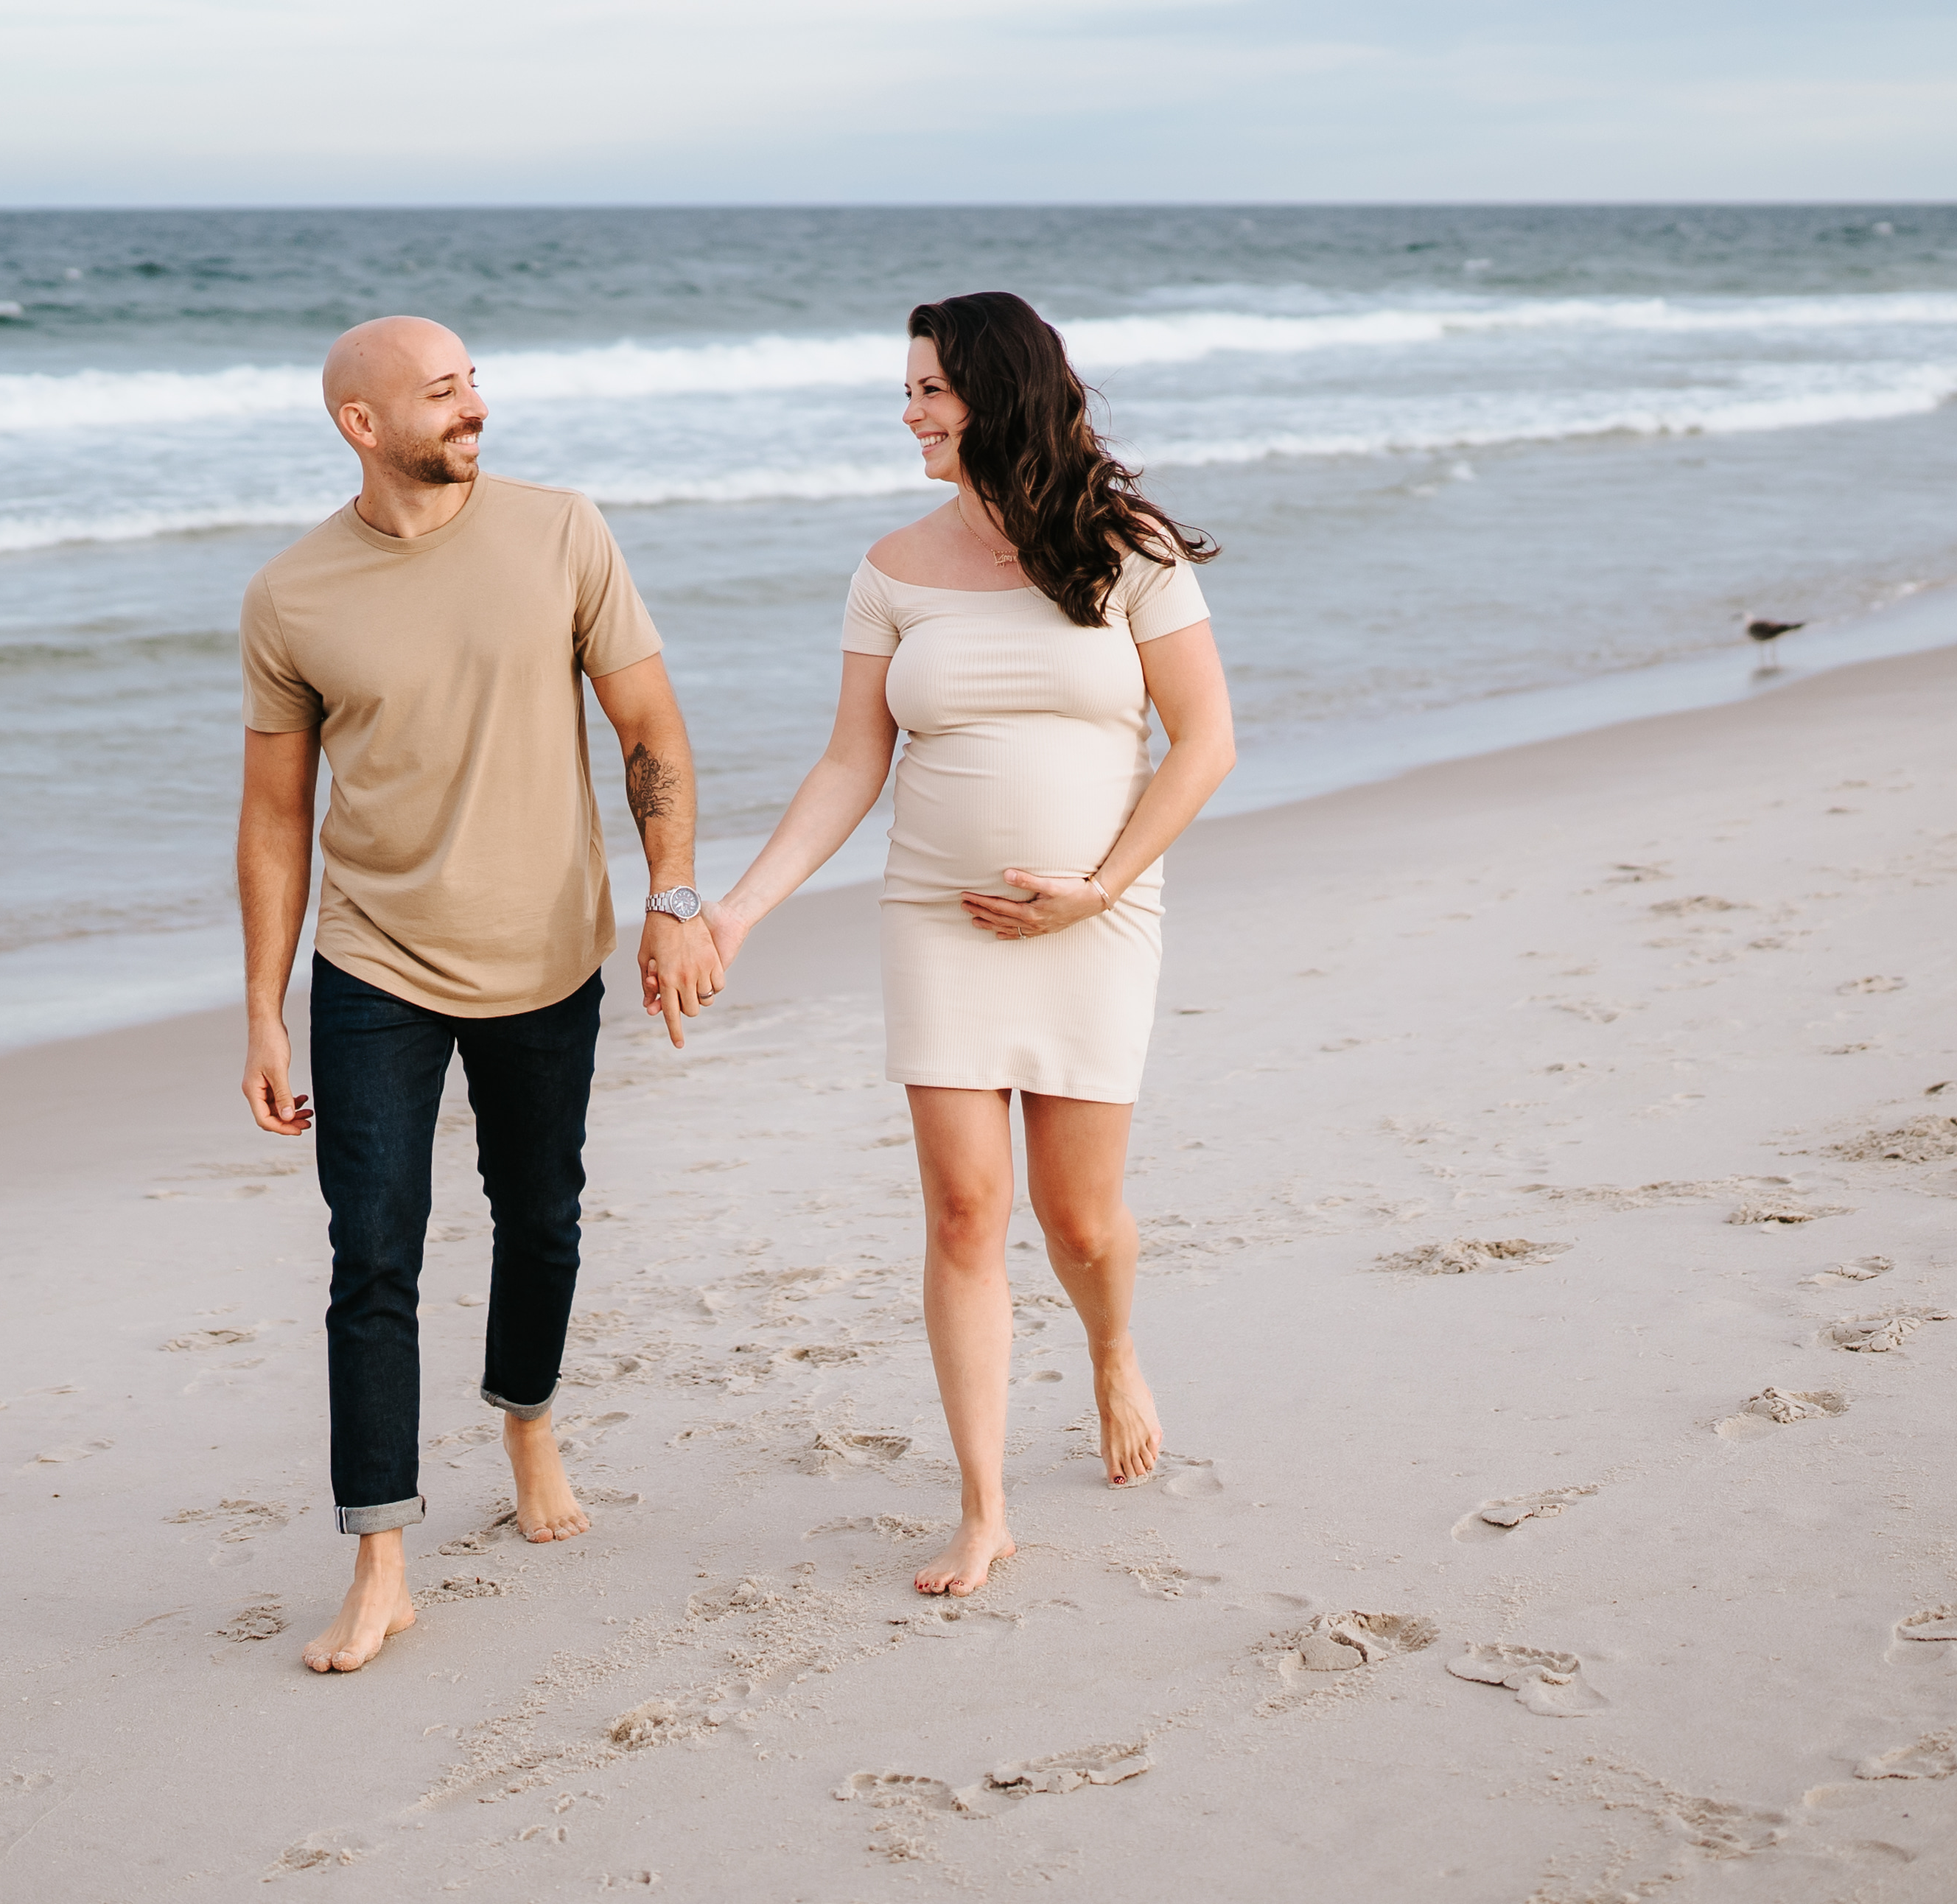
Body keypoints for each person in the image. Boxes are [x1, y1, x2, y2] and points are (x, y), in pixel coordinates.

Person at [704, 293, 1234, 1597]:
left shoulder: (1130, 550)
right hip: (938, 920)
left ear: (994, 394)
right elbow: (848, 766)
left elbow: (1206, 743)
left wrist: (1099, 887)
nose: (910, 414)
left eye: (929, 390)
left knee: (1081, 1219)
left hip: (1095, 919)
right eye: (908, 390)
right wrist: (734, 911)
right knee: (962, 1212)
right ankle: (984, 1506)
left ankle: (1112, 1352)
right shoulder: (890, 567)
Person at [234, 316, 725, 1676]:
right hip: (372, 962)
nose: (477, 410)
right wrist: (267, 1010)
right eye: (445, 394)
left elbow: (650, 731)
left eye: (475, 385)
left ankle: (526, 1420)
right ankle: (381, 1560)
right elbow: (276, 818)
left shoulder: (563, 531)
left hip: (546, 950)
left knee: (542, 1216)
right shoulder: (291, 596)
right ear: (363, 423)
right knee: (370, 1254)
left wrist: (673, 898)